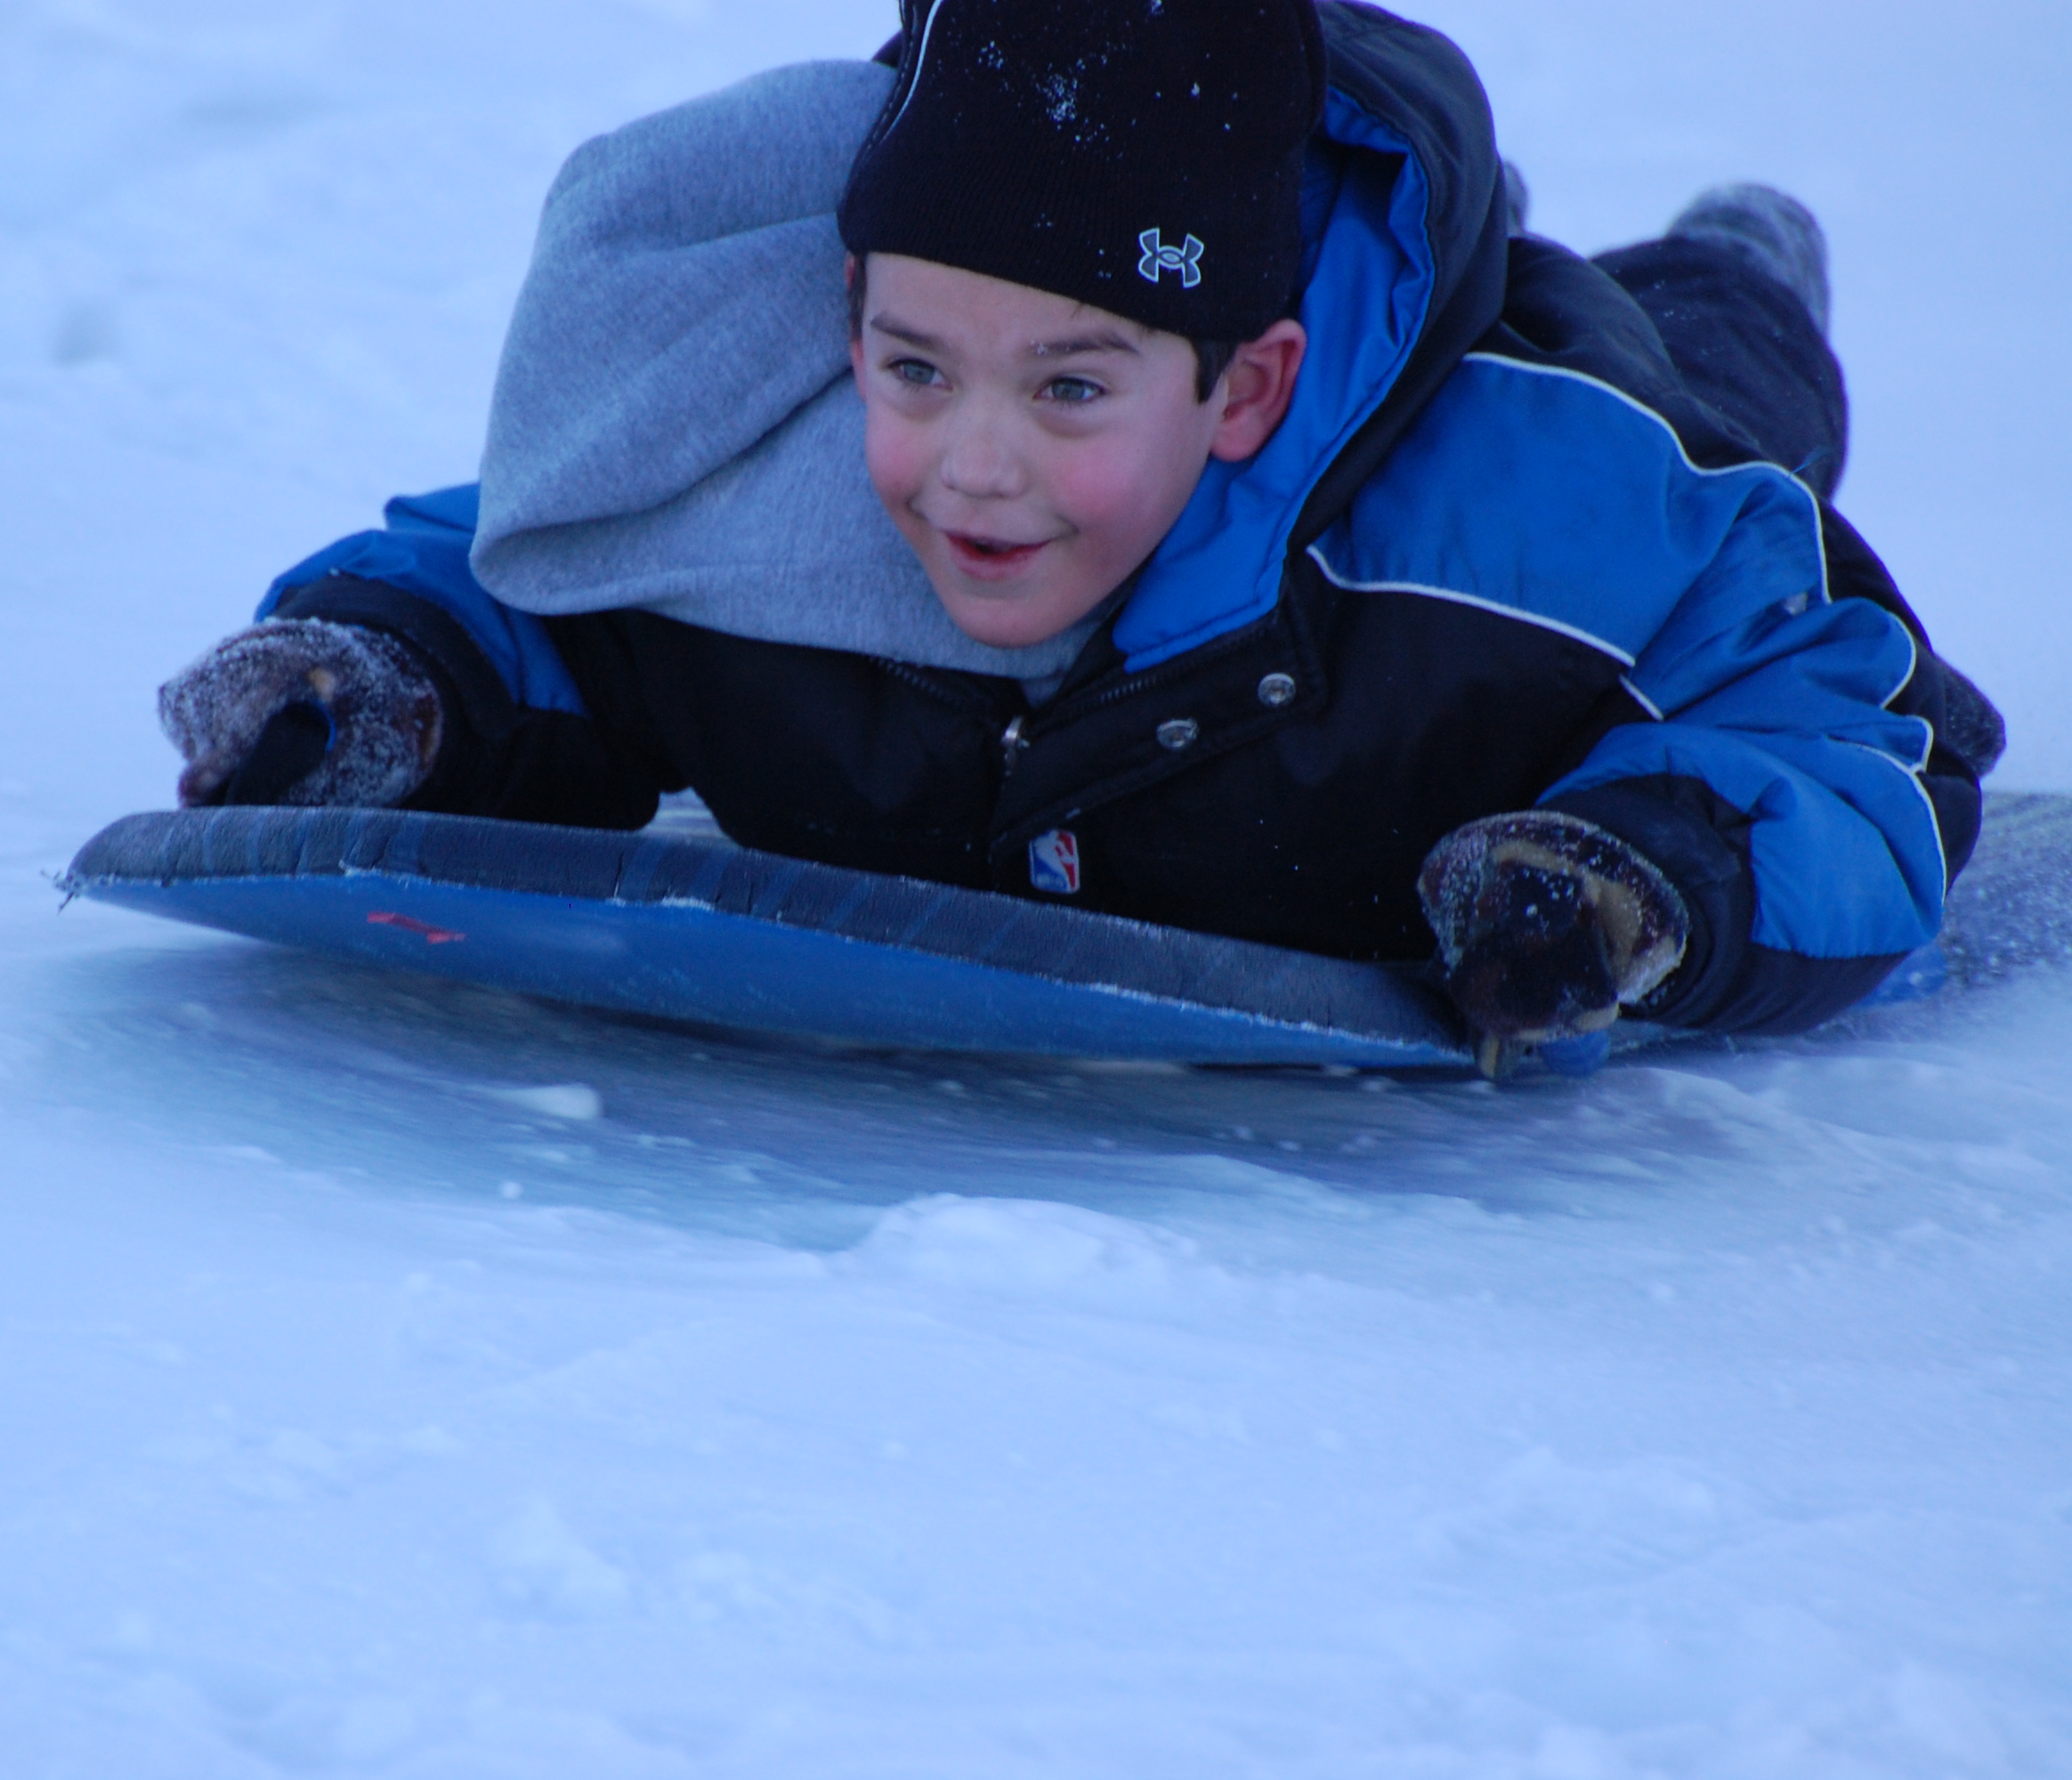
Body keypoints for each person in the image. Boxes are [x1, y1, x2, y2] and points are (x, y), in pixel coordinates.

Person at [157, 0, 2002, 1074]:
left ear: (1245, 391)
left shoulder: (1539, 538)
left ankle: (1743, 254)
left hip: (1584, 390)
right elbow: (542, 571)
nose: (970, 467)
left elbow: (1846, 712)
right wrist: (383, 676)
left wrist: (1637, 865)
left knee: (1717, 365)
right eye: (912, 365)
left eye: (1065, 391)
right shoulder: (787, 471)